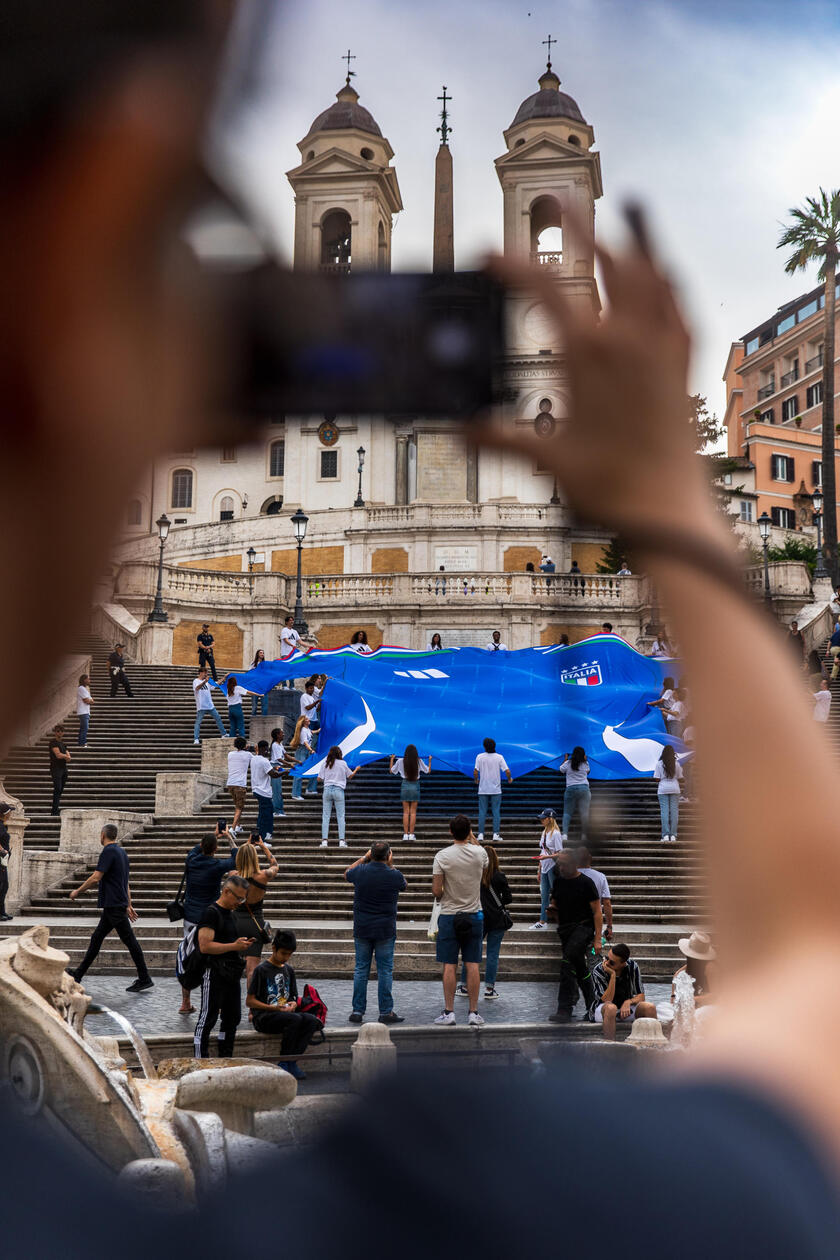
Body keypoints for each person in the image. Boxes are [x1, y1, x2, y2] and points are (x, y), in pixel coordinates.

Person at [68, 823, 152, 992]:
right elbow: (125, 882)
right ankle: (78, 974)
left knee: (129, 941)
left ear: (103, 835)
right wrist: (129, 903)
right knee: (97, 938)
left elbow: (96, 877)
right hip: (115, 904)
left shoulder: (108, 852)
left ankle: (145, 978)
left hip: (113, 905)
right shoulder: (122, 852)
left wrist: (78, 891)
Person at [431, 814, 489, 1026]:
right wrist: (472, 837)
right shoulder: (479, 853)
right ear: (469, 831)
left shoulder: (442, 856)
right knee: (472, 963)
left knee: (449, 964)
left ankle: (449, 1012)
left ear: (450, 831)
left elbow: (437, 891)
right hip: (474, 913)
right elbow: (485, 861)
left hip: (449, 915)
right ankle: (473, 1012)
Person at [246, 929, 323, 1080]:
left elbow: (293, 997)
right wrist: (272, 1008)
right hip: (264, 1017)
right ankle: (284, 1062)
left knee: (311, 1020)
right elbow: (250, 1001)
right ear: (274, 948)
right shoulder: (261, 970)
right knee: (295, 1020)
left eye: (289, 954)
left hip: (284, 1014)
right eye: (283, 953)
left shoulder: (289, 970)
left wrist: (293, 1004)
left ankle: (292, 1061)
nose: (286, 958)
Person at [179, 826, 240, 1015]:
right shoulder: (217, 866)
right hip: (210, 917)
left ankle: (186, 1002)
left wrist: (213, 834)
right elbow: (236, 859)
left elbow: (196, 849)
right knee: (215, 959)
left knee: (189, 958)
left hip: (190, 916)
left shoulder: (191, 860)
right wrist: (228, 837)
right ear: (215, 849)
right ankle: (220, 1003)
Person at [345, 842, 407, 1024]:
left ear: (371, 854)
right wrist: (391, 864)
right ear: (388, 855)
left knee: (361, 969)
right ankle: (386, 1011)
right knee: (385, 971)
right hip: (385, 929)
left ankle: (357, 1010)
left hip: (362, 927)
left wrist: (364, 858)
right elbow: (405, 884)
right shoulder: (394, 874)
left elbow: (346, 873)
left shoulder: (361, 871)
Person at [194, 874, 253, 1060]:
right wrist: (234, 946)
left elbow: (228, 942)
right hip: (214, 972)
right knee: (208, 1017)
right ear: (226, 891)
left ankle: (225, 1055)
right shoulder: (211, 913)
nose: (240, 902)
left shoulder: (231, 914)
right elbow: (205, 946)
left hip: (231, 974)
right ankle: (199, 1059)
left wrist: (240, 945)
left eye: (243, 898)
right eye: (238, 897)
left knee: (232, 1017)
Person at [547, 849, 600, 1023]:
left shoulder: (586, 883)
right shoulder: (560, 882)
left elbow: (597, 912)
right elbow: (554, 904)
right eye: (559, 863)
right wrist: (552, 911)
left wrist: (598, 938)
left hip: (583, 927)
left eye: (563, 864)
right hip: (566, 929)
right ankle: (593, 1005)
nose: (560, 867)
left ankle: (564, 1008)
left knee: (566, 964)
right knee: (580, 969)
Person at [456, 844, 512, 1001]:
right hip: (497, 919)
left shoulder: (475, 875)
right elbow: (508, 898)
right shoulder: (500, 876)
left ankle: (464, 986)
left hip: (477, 916)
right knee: (493, 953)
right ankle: (489, 988)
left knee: (471, 951)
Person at [232, 836, 278, 985]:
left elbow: (237, 859)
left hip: (236, 922)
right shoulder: (263, 876)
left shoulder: (233, 876)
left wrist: (246, 845)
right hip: (255, 923)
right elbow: (275, 864)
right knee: (252, 970)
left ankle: (227, 1004)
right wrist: (262, 846)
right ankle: (252, 1006)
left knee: (233, 967)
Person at [588, 943, 656, 1040]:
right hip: (603, 1010)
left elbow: (641, 996)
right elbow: (607, 999)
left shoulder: (632, 966)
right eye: (606, 958)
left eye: (611, 962)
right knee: (611, 1008)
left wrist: (628, 1002)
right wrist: (612, 976)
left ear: (623, 963)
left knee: (650, 1007)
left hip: (625, 1011)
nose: (606, 963)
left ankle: (651, 1046)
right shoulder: (599, 970)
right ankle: (610, 1047)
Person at [390, 744, 431, 842]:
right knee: (413, 812)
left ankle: (405, 834)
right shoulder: (419, 761)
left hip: (405, 785)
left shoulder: (400, 761)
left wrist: (392, 759)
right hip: (415, 785)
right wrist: (429, 760)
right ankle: (411, 834)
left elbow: (392, 771)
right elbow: (427, 771)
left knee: (405, 812)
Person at [318, 745, 358, 849]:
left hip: (327, 790)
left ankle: (324, 841)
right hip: (339, 790)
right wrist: (356, 769)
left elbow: (319, 779)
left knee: (326, 816)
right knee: (341, 816)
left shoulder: (325, 763)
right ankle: (341, 841)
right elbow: (350, 776)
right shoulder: (343, 763)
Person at [473, 736, 512, 842]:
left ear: (484, 746)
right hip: (496, 789)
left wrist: (476, 780)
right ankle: (496, 834)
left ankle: (481, 834)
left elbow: (475, 771)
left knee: (482, 812)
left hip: (483, 789)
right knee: (496, 812)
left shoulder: (479, 757)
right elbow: (507, 771)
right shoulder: (499, 757)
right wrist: (509, 779)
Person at [531, 807, 564, 929]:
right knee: (544, 894)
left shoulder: (556, 834)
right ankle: (542, 921)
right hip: (544, 866)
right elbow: (542, 851)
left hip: (553, 866)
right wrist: (539, 868)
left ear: (550, 819)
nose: (542, 820)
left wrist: (545, 858)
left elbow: (560, 853)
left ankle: (562, 919)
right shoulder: (544, 832)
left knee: (557, 895)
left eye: (544, 818)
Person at [576, 845, 613, 941]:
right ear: (590, 858)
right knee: (593, 952)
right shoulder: (600, 877)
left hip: (573, 922)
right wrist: (609, 926)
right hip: (593, 922)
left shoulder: (568, 876)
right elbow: (607, 903)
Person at [559, 747, 591, 842]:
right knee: (584, 814)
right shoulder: (585, 764)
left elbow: (561, 770)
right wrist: (585, 760)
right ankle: (584, 836)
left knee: (567, 813)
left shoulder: (568, 763)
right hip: (584, 788)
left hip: (571, 788)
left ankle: (564, 835)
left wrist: (565, 758)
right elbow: (588, 772)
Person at [654, 742, 683, 842]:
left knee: (664, 813)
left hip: (662, 789)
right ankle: (673, 835)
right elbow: (680, 777)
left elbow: (657, 778)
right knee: (674, 813)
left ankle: (665, 835)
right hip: (675, 788)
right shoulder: (677, 764)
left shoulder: (659, 764)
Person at [250, 739, 277, 842]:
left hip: (257, 790)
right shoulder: (264, 761)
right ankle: (260, 838)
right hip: (263, 792)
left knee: (268, 812)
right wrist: (285, 772)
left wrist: (276, 768)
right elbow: (273, 775)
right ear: (263, 748)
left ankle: (268, 833)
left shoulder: (254, 759)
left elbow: (268, 769)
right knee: (264, 816)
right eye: (266, 749)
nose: (267, 751)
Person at [226, 736, 252, 836]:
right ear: (245, 745)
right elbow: (257, 759)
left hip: (230, 784)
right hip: (240, 785)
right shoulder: (248, 755)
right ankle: (232, 828)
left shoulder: (230, 754)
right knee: (240, 807)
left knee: (237, 806)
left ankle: (238, 826)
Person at [193, 665, 226, 743]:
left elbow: (216, 684)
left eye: (207, 673)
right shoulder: (196, 681)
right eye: (205, 673)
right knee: (198, 722)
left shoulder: (208, 682)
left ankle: (224, 734)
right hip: (201, 706)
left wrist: (224, 678)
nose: (206, 674)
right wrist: (205, 682)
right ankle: (196, 738)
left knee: (218, 718)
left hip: (210, 705)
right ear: (200, 673)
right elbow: (197, 688)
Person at [288, 715, 317, 801]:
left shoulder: (307, 730)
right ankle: (295, 794)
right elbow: (305, 742)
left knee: (313, 768)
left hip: (306, 751)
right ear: (304, 722)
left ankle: (310, 788)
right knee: (299, 772)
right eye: (307, 719)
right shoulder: (303, 731)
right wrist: (311, 750)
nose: (309, 720)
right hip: (303, 751)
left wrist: (319, 730)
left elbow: (312, 732)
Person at [48, 723, 71, 814]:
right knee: (57, 788)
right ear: (55, 732)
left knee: (60, 789)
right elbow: (58, 755)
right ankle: (54, 810)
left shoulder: (63, 744)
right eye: (58, 731)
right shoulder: (53, 743)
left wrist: (65, 756)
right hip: (56, 768)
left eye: (61, 731)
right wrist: (65, 756)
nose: (60, 733)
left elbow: (69, 757)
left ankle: (55, 807)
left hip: (64, 769)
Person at [279, 614, 301, 688]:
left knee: (292, 670)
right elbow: (285, 640)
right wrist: (292, 645)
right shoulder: (284, 630)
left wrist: (307, 646)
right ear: (286, 622)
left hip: (292, 654)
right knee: (285, 669)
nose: (292, 622)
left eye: (292, 620)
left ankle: (292, 686)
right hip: (285, 653)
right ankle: (284, 685)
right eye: (290, 620)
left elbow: (300, 641)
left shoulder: (294, 631)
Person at [269, 726, 287, 818]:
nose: (283, 734)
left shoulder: (280, 744)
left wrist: (297, 762)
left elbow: (286, 755)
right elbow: (278, 758)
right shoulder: (275, 745)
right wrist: (290, 765)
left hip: (279, 767)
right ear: (277, 735)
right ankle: (277, 811)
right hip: (275, 767)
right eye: (281, 733)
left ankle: (279, 810)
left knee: (278, 790)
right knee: (276, 791)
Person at [224, 674, 248, 739]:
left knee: (233, 726)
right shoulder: (238, 688)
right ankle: (242, 739)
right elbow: (248, 692)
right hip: (237, 708)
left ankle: (231, 739)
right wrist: (258, 694)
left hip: (230, 709)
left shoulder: (228, 690)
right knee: (240, 725)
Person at [0, 801, 13, 922]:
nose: (10, 814)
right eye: (9, 812)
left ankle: (2, 911)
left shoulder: (2, 825)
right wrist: (3, 850)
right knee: (1, 885)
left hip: (2, 861)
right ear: (4, 813)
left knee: (4, 886)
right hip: (0, 860)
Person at [76, 673, 93, 747]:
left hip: (85, 712)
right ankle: (82, 743)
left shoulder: (84, 689)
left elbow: (92, 700)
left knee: (83, 728)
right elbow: (87, 700)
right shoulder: (81, 688)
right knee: (85, 728)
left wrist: (90, 700)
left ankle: (81, 742)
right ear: (84, 680)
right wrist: (90, 701)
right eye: (88, 679)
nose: (90, 680)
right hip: (83, 712)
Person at [251, 648, 269, 714]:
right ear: (257, 654)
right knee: (254, 706)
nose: (262, 654)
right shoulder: (253, 664)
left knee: (265, 706)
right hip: (255, 687)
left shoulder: (265, 664)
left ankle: (264, 721)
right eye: (261, 653)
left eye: (263, 653)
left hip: (263, 687)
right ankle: (253, 720)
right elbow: (250, 674)